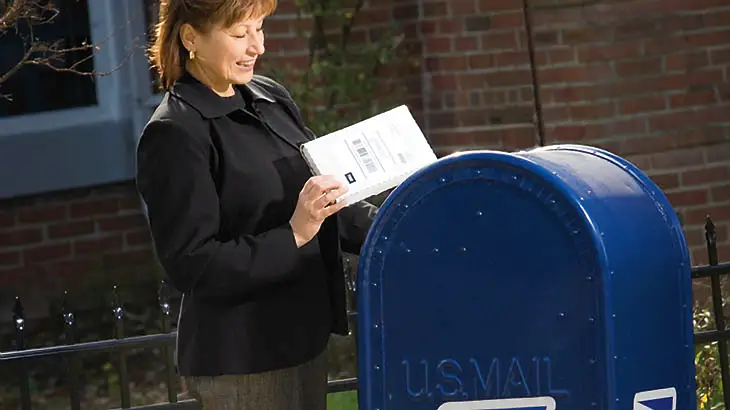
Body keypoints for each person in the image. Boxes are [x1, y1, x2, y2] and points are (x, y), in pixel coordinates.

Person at [135, 0, 379, 408]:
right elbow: (193, 264)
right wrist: (295, 233)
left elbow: (325, 199)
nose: (257, 47)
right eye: (238, 34)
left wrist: (405, 222)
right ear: (191, 37)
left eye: (259, 29)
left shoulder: (270, 97)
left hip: (303, 341)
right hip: (243, 359)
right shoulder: (174, 133)